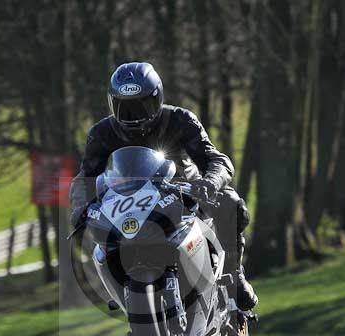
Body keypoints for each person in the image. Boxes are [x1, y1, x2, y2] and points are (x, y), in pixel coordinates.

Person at [70, 61, 257, 311]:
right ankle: (119, 288)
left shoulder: (180, 120)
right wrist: (80, 207)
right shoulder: (101, 133)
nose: (132, 115)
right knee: (97, 234)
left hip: (181, 192)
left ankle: (235, 275)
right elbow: (85, 178)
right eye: (124, 108)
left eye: (140, 106)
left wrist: (210, 182)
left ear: (157, 98)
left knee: (232, 204)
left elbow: (215, 159)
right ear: (112, 103)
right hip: (127, 204)